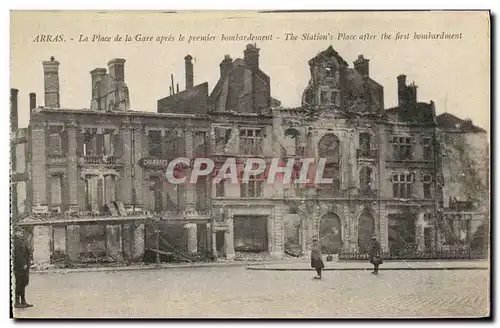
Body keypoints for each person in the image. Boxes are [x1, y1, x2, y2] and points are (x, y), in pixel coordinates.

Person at [13, 228, 33, 308]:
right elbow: (18, 255)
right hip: (19, 267)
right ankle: (17, 302)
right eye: (20, 232)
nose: (21, 233)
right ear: (15, 233)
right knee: (19, 284)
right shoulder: (16, 242)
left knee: (23, 284)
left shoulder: (21, 241)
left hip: (24, 267)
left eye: (22, 232)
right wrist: (23, 264)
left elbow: (25, 253)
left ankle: (23, 301)